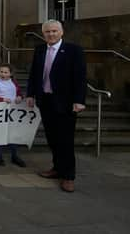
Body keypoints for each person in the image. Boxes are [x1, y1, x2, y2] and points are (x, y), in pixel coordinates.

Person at [27, 19, 86, 193]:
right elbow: (34, 74)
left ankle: (68, 176)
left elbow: (80, 77)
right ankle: (57, 168)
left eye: (54, 31)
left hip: (66, 103)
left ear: (61, 32)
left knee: (66, 140)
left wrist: (79, 100)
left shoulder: (74, 51)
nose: (51, 34)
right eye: (47, 32)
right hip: (45, 100)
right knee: (52, 138)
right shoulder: (39, 50)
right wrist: (30, 94)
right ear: (43, 34)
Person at [0, 64, 26, 167]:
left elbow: (19, 93)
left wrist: (20, 97)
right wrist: (2, 99)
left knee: (13, 134)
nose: (3, 74)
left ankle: (14, 156)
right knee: (0, 134)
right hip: (0, 112)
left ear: (10, 74)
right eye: (1, 72)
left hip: (12, 112)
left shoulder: (14, 83)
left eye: (5, 72)